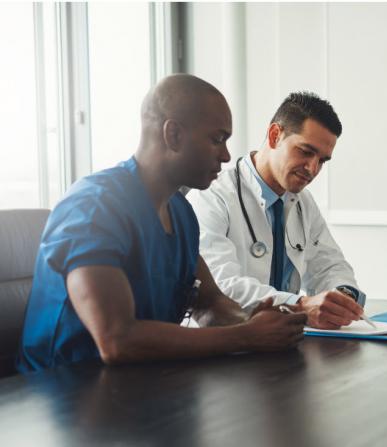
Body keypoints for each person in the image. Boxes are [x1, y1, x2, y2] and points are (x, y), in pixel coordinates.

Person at [17, 74, 307, 373]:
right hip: (61, 396)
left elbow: (209, 304)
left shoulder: (180, 212)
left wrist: (252, 319)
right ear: (174, 135)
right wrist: (245, 336)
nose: (226, 155)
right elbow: (117, 339)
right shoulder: (93, 206)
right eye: (217, 139)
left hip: (141, 387)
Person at [187, 92, 366, 330]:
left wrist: (341, 296)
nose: (312, 168)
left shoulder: (303, 202)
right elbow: (222, 288)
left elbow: (330, 264)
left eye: (322, 160)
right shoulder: (212, 196)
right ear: (274, 136)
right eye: (305, 151)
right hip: (223, 345)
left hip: (280, 341)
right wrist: (300, 305)